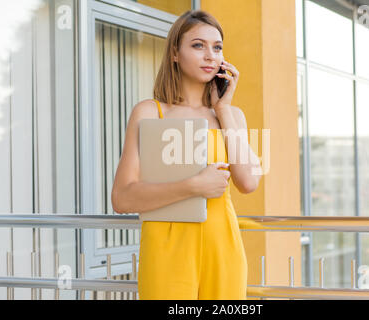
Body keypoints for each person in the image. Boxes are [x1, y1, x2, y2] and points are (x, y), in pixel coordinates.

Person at [111, 9, 262, 300]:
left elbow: (248, 182)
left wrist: (223, 110)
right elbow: (122, 197)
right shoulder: (149, 112)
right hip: (166, 251)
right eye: (198, 45)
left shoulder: (232, 115)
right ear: (175, 54)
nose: (210, 55)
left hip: (223, 248)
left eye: (217, 47)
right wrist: (193, 186)